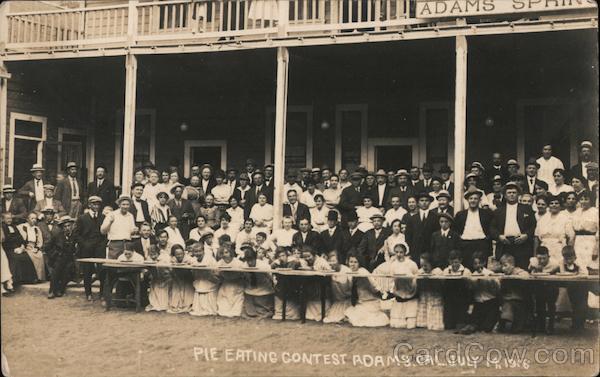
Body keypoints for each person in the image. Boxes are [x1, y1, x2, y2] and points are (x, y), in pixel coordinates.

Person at [491, 181, 537, 269]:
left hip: (521, 244)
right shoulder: (498, 211)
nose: (511, 195)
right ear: (505, 195)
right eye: (509, 193)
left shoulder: (526, 209)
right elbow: (492, 228)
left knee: (522, 270)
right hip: (505, 244)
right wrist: (499, 236)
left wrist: (526, 235)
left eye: (514, 192)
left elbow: (533, 225)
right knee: (505, 271)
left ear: (518, 195)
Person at [343, 253, 390, 327]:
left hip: (370, 301)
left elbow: (374, 287)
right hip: (360, 302)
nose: (353, 264)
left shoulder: (362, 272)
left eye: (355, 262)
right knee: (349, 313)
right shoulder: (349, 273)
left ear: (359, 263)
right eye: (351, 262)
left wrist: (380, 293)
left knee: (361, 320)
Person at [459, 251, 500, 334]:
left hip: (490, 302)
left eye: (479, 263)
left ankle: (495, 322)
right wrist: (470, 282)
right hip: (478, 303)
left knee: (486, 328)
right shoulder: (473, 275)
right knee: (475, 325)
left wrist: (490, 280)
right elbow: (471, 289)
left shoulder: (490, 273)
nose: (477, 266)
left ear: (484, 263)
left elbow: (497, 289)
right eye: (475, 264)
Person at [75, 196, 107, 300]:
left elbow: (106, 234)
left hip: (99, 248)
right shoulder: (82, 218)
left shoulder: (103, 217)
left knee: (102, 270)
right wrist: (84, 244)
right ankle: (88, 293)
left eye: (98, 204)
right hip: (86, 248)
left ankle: (102, 293)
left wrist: (102, 245)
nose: (96, 206)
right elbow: (77, 234)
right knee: (87, 271)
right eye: (94, 204)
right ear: (89, 205)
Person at [453, 187, 494, 269]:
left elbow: (491, 228)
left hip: (481, 244)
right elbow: (455, 230)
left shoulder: (486, 214)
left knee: (481, 270)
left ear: (479, 200)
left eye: (476, 198)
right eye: (471, 198)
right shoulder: (460, 215)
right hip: (465, 245)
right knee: (467, 270)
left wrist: (487, 238)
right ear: (467, 200)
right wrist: (460, 239)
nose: (473, 200)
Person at [534, 194, 575, 264]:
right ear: (548, 205)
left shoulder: (565, 218)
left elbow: (571, 237)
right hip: (544, 250)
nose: (554, 205)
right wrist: (535, 254)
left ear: (560, 205)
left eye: (556, 203)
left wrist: (568, 253)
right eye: (551, 203)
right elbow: (536, 237)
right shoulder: (543, 219)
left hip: (559, 249)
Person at [528, 246, 560, 334]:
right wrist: (534, 268)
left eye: (544, 258)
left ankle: (551, 326)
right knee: (539, 306)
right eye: (539, 258)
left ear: (548, 256)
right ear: (536, 257)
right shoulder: (533, 261)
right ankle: (541, 326)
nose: (542, 261)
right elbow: (530, 272)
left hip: (551, 287)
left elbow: (557, 274)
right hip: (539, 287)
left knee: (551, 306)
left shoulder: (555, 263)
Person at [497, 254, 530, 333]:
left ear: (512, 265)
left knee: (516, 328)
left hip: (518, 299)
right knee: (506, 304)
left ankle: (517, 325)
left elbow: (526, 275)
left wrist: (515, 277)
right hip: (507, 299)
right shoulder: (504, 275)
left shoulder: (518, 271)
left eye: (505, 265)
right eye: (502, 266)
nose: (503, 268)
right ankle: (502, 323)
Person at [389, 243, 419, 329]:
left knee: (411, 325)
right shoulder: (393, 265)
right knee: (396, 324)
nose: (398, 254)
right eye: (397, 252)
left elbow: (416, 277)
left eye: (401, 252)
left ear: (405, 252)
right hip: (399, 292)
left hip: (410, 292)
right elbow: (391, 279)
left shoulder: (411, 264)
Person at [1, 212, 36, 285]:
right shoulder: (2, 227)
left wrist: (22, 245)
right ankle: (17, 280)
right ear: (3, 219)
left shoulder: (14, 226)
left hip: (18, 247)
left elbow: (20, 237)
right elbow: (6, 241)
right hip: (9, 249)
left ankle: (28, 279)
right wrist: (15, 248)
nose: (9, 220)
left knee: (26, 256)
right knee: (16, 258)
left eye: (10, 218)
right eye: (7, 218)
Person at [47, 216, 77, 298]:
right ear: (62, 228)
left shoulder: (74, 236)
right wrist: (53, 255)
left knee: (67, 271)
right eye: (65, 226)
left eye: (69, 226)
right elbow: (47, 247)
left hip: (70, 258)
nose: (67, 228)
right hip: (59, 257)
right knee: (56, 271)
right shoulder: (57, 236)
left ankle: (60, 290)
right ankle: (52, 291)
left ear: (72, 226)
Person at [559, 245, 588, 331]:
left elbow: (584, 274)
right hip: (572, 287)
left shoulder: (579, 263)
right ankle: (575, 325)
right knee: (574, 305)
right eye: (566, 258)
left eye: (571, 258)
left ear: (575, 257)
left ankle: (581, 325)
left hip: (582, 287)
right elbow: (562, 273)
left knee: (582, 305)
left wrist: (578, 271)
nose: (568, 261)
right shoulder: (562, 263)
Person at [404, 192, 438, 264]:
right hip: (416, 251)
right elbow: (408, 236)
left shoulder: (435, 217)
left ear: (430, 203)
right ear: (418, 203)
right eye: (422, 200)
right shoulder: (412, 218)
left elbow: (437, 235)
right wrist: (412, 249)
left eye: (426, 200)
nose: (424, 203)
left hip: (430, 251)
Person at [241, 246, 274, 319]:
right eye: (247, 260)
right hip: (250, 290)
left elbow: (271, 278)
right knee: (248, 312)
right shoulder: (244, 265)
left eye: (251, 260)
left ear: (255, 258)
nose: (249, 263)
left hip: (263, 290)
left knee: (263, 311)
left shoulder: (264, 265)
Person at [100, 195, 138, 259]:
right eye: (123, 204)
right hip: (115, 244)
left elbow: (131, 232)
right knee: (113, 264)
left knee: (126, 264)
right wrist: (110, 222)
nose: (125, 206)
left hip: (127, 244)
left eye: (127, 204)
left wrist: (134, 231)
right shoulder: (111, 214)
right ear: (119, 205)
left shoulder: (130, 216)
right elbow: (102, 231)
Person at [442, 250, 471, 330]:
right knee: (448, 326)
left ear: (460, 261)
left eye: (456, 262)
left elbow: (469, 286)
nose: (454, 264)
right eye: (452, 262)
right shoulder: (446, 271)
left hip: (461, 300)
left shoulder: (466, 271)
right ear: (449, 261)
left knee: (460, 325)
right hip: (450, 300)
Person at [189, 242, 220, 316]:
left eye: (200, 251)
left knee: (205, 284)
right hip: (199, 279)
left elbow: (216, 272)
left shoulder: (209, 258)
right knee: (200, 284)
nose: (198, 253)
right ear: (193, 252)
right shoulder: (193, 260)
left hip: (210, 280)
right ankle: (199, 308)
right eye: (196, 252)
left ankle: (209, 308)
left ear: (203, 251)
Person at [415, 253, 444, 331]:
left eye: (426, 265)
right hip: (425, 295)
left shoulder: (437, 271)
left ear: (431, 263)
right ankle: (423, 323)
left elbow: (442, 284)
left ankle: (434, 324)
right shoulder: (420, 272)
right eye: (422, 265)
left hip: (435, 295)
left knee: (434, 307)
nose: (424, 267)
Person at [323, 250, 353, 323]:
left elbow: (352, 288)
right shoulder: (330, 271)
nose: (332, 263)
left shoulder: (346, 270)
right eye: (330, 261)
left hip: (347, 300)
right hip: (337, 301)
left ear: (339, 261)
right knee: (329, 318)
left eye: (334, 261)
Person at [571, 191, 598, 272]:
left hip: (590, 241)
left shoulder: (595, 212)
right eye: (581, 199)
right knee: (579, 264)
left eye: (586, 199)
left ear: (591, 200)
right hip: (578, 241)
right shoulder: (576, 212)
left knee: (590, 263)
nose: (583, 201)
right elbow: (572, 229)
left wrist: (596, 248)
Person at [216, 244, 246, 317]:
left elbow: (244, 274)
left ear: (230, 252)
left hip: (237, 283)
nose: (224, 255)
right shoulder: (220, 262)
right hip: (226, 284)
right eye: (222, 253)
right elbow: (216, 272)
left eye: (226, 252)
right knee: (223, 304)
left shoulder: (238, 262)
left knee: (237, 304)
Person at [17, 212, 45, 281]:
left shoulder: (37, 229)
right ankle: (32, 278)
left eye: (35, 218)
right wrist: (22, 246)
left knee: (40, 255)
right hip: (25, 247)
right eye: (32, 218)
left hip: (34, 247)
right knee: (30, 256)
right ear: (27, 219)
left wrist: (37, 248)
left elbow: (40, 241)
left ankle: (39, 277)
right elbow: (18, 238)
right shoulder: (21, 227)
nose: (34, 220)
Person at [167, 244, 195, 314]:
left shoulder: (188, 258)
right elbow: (170, 270)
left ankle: (187, 304)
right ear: (174, 255)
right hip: (177, 279)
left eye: (181, 254)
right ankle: (177, 305)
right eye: (177, 254)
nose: (179, 256)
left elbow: (193, 265)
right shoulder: (172, 260)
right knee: (175, 286)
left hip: (187, 279)